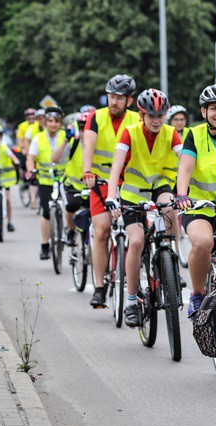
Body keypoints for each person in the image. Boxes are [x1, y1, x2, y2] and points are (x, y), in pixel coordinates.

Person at [104, 88, 182, 327]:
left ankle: (171, 264)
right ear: (141, 115)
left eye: (160, 115)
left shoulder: (172, 134)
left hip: (160, 187)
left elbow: (187, 163)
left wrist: (187, 194)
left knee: (170, 210)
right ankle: (130, 300)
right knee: (136, 241)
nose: (156, 120)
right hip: (132, 193)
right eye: (151, 116)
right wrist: (111, 196)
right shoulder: (129, 133)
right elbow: (116, 167)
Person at [175, 84, 216, 316]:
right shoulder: (195, 135)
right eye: (213, 108)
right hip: (199, 205)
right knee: (202, 243)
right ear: (204, 112)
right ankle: (198, 294)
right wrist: (182, 194)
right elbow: (185, 167)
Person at [82, 74, 140, 308]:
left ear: (129, 100)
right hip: (100, 182)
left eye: (119, 98)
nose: (114, 102)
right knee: (102, 230)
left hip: (130, 184)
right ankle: (99, 286)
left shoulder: (137, 119)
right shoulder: (96, 118)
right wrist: (87, 170)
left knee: (137, 231)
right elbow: (89, 145)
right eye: (111, 96)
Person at [27, 107, 66, 259]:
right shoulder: (39, 138)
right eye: (50, 121)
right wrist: (31, 170)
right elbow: (31, 157)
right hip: (45, 180)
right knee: (45, 212)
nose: (53, 124)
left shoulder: (65, 136)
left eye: (56, 121)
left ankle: (69, 234)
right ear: (45, 122)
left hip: (64, 179)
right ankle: (45, 244)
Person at [52, 110, 92, 246]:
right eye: (81, 128)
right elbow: (55, 159)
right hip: (73, 185)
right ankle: (70, 231)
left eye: (87, 128)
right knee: (71, 205)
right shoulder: (73, 144)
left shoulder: (98, 145)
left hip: (92, 187)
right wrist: (66, 140)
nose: (84, 131)